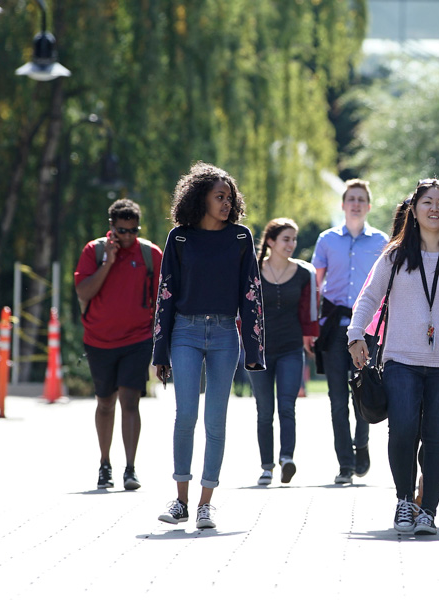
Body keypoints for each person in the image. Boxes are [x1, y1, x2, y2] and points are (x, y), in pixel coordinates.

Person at [348, 178, 439, 536]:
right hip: (401, 358)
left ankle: (429, 510)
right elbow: (368, 297)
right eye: (427, 202)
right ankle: (404, 501)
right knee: (404, 430)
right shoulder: (395, 255)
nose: (434, 209)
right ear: (414, 209)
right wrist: (355, 334)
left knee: (438, 436)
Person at [153, 162, 266, 529]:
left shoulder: (240, 238)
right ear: (200, 197)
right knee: (186, 415)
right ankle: (181, 501)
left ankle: (205, 504)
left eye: (230, 198)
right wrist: (159, 351)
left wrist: (254, 350)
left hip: (223, 335)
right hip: (184, 332)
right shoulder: (179, 238)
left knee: (216, 420)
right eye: (219, 197)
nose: (226, 204)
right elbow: (165, 295)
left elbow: (251, 294)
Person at [74, 199, 163, 491]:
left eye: (132, 231)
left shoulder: (150, 254)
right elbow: (84, 289)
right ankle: (104, 464)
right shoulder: (94, 251)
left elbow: (163, 299)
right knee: (105, 403)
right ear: (111, 227)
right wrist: (108, 263)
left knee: (130, 400)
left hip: (137, 338)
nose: (127, 237)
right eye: (121, 230)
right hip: (99, 340)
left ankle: (130, 468)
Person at [312, 179, 389, 484]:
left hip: (367, 331)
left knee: (364, 391)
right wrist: (313, 329)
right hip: (333, 330)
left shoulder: (382, 242)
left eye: (361, 199)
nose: (356, 204)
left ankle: (362, 444)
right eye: (351, 199)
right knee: (336, 399)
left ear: (368, 206)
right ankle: (345, 464)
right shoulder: (326, 240)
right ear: (343, 205)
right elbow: (317, 288)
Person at [251, 218, 319, 486]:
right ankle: (266, 467)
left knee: (287, 406)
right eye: (286, 239)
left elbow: (310, 311)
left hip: (291, 348)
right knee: (264, 410)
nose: (291, 244)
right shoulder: (253, 270)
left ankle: (287, 459)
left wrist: (310, 339)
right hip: (259, 351)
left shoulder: (304, 273)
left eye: (294, 239)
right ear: (270, 241)